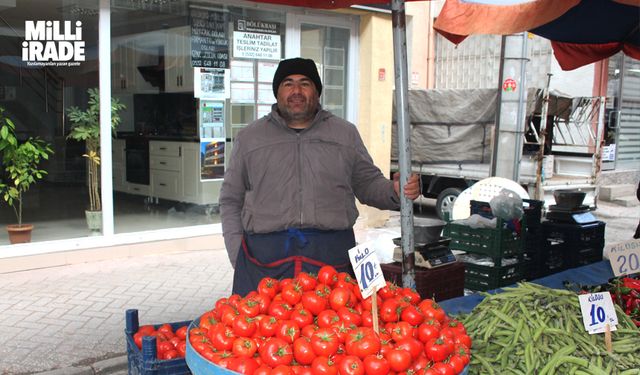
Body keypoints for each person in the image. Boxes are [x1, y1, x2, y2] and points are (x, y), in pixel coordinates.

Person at [219, 57, 420, 296]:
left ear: (317, 91)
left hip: (330, 258)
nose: (296, 91)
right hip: (264, 261)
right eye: (287, 83)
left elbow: (367, 184)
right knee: (257, 332)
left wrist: (394, 190)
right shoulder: (250, 138)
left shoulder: (344, 134)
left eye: (305, 83)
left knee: (335, 330)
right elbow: (231, 200)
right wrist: (237, 252)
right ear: (277, 93)